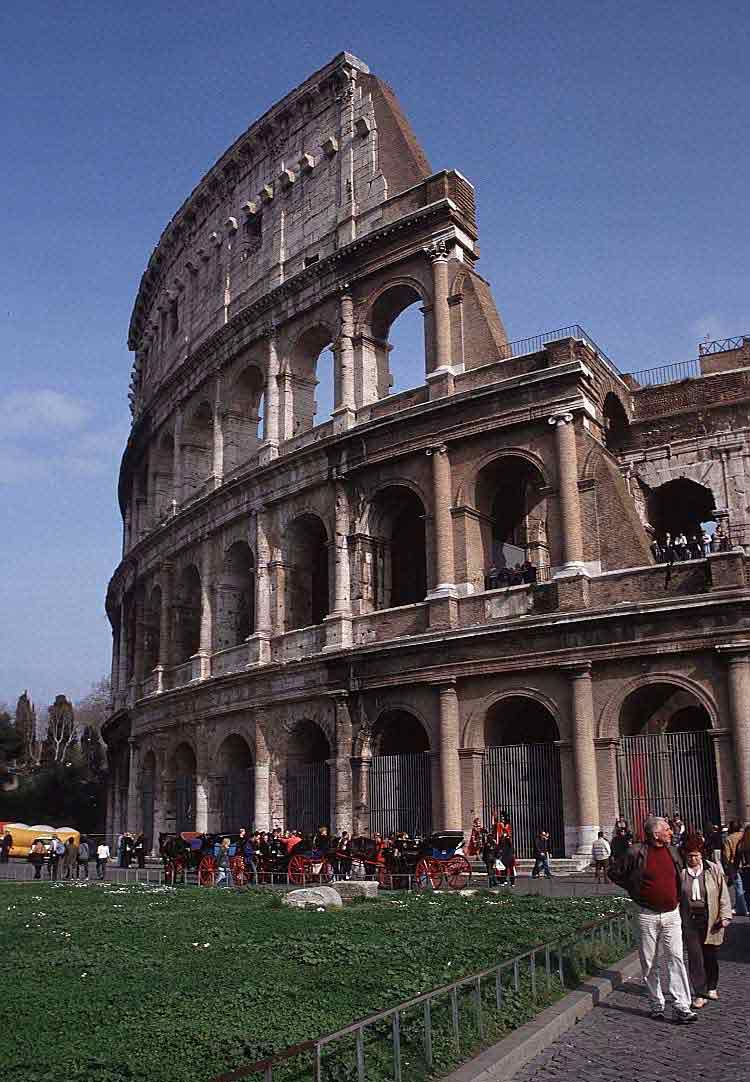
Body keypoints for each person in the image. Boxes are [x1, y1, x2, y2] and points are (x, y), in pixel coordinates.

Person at [607, 815, 696, 1023]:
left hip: (672, 913)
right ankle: (656, 1003)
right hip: (646, 914)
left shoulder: (673, 851)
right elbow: (614, 872)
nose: (670, 832)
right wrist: (635, 891)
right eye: (667, 829)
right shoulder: (635, 852)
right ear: (656, 834)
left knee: (676, 957)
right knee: (650, 962)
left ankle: (682, 1005)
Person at [679, 834, 731, 1008]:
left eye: (696, 855)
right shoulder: (682, 872)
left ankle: (712, 986)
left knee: (710, 954)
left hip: (711, 918)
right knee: (695, 956)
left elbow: (723, 893)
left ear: (701, 855)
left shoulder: (713, 869)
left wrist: (724, 916)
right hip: (690, 919)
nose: (693, 859)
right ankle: (699, 993)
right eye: (690, 856)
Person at [722, 820, 748, 916]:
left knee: (738, 886)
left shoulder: (729, 839)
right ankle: (741, 906)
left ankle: (743, 908)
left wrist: (727, 867)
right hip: (746, 863)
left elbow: (726, 856)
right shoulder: (745, 835)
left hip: (735, 865)